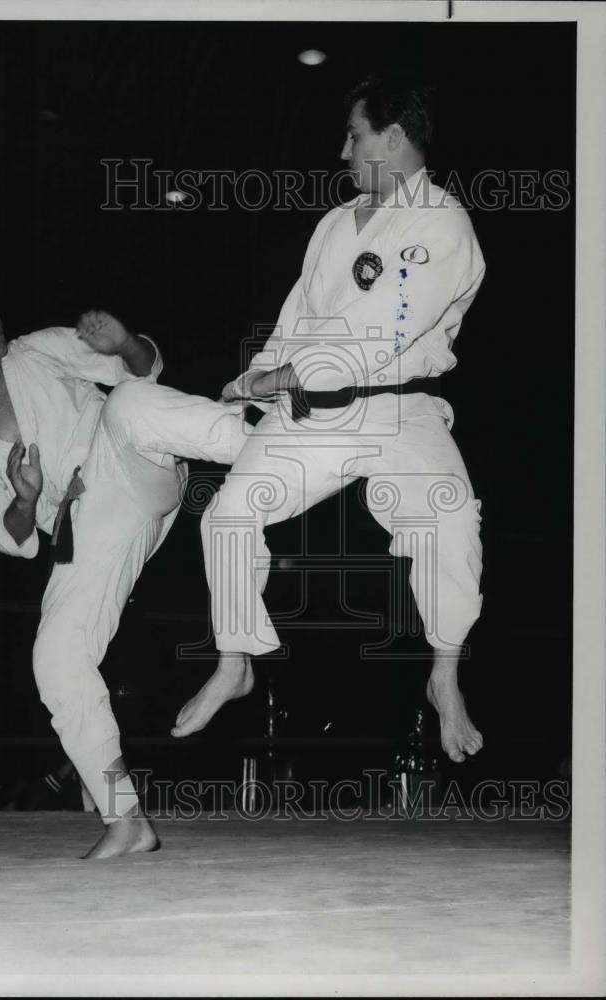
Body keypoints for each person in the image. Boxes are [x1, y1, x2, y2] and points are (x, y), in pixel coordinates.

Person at [171, 75, 486, 764]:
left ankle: (444, 673)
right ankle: (236, 661)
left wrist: (283, 375)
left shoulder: (441, 224)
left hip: (397, 408)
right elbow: (298, 319)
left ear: (393, 138)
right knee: (227, 517)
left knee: (451, 518)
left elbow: (381, 338)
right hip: (314, 413)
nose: (343, 150)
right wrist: (261, 379)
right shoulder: (331, 225)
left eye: (355, 135)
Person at [0, 279, 244, 857]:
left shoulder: (38, 350)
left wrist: (125, 343)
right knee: (55, 659)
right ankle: (126, 820)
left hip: (130, 463)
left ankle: (269, 441)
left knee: (127, 403)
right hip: (87, 525)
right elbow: (6, 535)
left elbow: (144, 372)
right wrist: (25, 500)